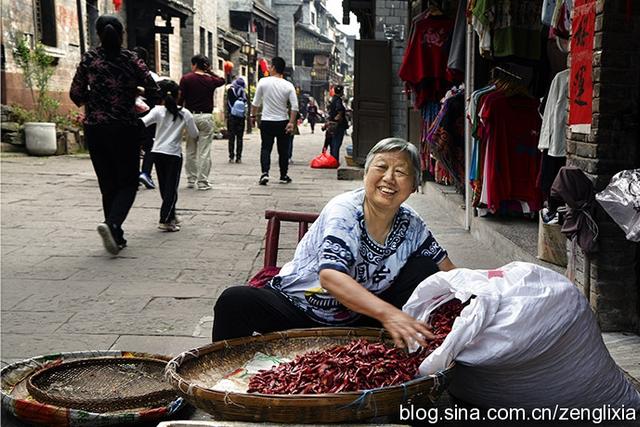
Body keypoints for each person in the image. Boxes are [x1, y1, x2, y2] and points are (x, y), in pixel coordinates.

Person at [213, 138, 456, 348]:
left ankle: (403, 345)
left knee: (427, 268)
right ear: (366, 174)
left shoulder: (412, 224)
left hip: (360, 318)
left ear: (414, 186)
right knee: (234, 301)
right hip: (299, 310)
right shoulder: (346, 210)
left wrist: (482, 295)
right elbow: (330, 277)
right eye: (381, 167)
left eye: (401, 172)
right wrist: (390, 315)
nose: (389, 178)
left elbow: (451, 272)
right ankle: (217, 380)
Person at [70, 14, 159, 255]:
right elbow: (154, 88)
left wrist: (96, 97)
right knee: (128, 182)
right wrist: (133, 92)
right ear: (122, 34)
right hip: (124, 127)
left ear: (98, 34)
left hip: (96, 128)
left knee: (108, 184)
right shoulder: (131, 59)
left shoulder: (89, 59)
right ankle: (112, 224)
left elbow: (76, 94)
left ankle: (115, 235)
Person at [140, 80, 198, 232]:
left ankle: (171, 215)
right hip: (173, 154)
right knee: (171, 188)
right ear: (178, 94)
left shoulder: (157, 110)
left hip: (157, 152)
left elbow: (142, 123)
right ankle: (165, 219)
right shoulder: (185, 113)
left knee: (164, 186)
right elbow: (194, 133)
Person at [178, 54, 225, 191]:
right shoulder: (210, 80)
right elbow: (222, 80)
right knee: (204, 151)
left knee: (190, 149)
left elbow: (181, 99)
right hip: (206, 117)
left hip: (190, 116)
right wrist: (209, 71)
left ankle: (191, 179)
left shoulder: (186, 79)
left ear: (194, 65)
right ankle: (203, 182)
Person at [250, 57, 298, 185]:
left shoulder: (263, 82)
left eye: (270, 66)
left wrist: (253, 117)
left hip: (266, 121)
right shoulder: (288, 85)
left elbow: (255, 103)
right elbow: (295, 107)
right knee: (283, 150)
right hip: (282, 121)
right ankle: (283, 175)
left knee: (266, 148)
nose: (269, 68)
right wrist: (291, 123)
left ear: (274, 68)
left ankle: (265, 173)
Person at [132, 46, 162, 190]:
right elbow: (157, 96)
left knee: (133, 145)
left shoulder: (124, 74)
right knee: (149, 145)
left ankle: (135, 175)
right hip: (148, 117)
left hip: (129, 115)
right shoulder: (152, 77)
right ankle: (145, 173)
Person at [326, 85, 349, 163]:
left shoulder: (333, 99)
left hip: (333, 124)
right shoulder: (338, 100)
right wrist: (339, 117)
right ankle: (335, 160)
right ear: (341, 91)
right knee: (337, 142)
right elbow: (339, 111)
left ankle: (333, 159)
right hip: (338, 125)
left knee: (333, 142)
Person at [226, 77, 247, 163]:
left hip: (232, 116)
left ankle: (231, 156)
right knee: (240, 138)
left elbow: (227, 103)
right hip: (241, 118)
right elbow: (246, 104)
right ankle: (239, 157)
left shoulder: (230, 91)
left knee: (231, 137)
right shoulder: (243, 92)